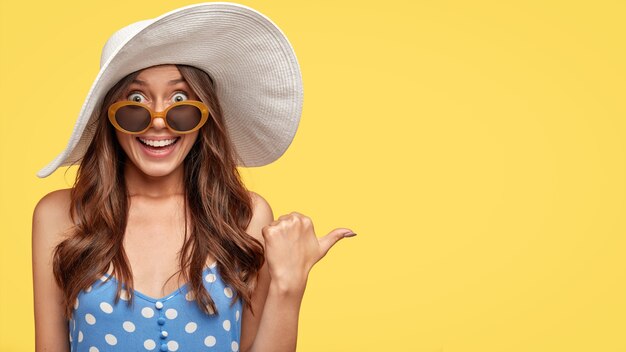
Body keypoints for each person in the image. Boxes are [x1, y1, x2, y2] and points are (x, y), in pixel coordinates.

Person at [31, 3, 357, 352]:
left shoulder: (243, 216)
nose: (159, 120)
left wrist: (288, 284)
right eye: (137, 100)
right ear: (111, 115)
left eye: (180, 100)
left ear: (205, 115)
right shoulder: (59, 215)